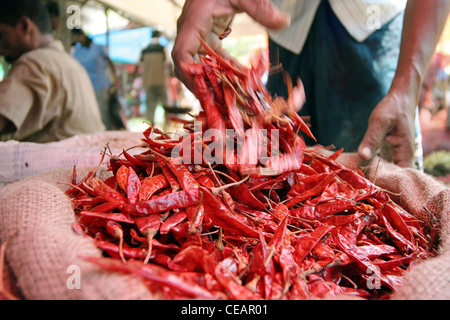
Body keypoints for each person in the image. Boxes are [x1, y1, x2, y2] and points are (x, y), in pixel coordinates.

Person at [171, 0, 450, 169]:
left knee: (374, 182)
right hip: (289, 34)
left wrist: (407, 85)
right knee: (279, 181)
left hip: (373, 28)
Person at [0, 0, 105, 143]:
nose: (0, 50)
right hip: (91, 159)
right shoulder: (72, 63)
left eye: (1, 36)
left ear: (25, 26)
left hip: (61, 164)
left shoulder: (33, 64)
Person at [72, 28, 120, 130]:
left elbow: (109, 62)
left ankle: (108, 138)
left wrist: (115, 80)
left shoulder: (98, 47)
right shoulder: (77, 51)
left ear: (82, 35)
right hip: (86, 88)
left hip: (101, 86)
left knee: (104, 115)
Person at [134, 30, 169, 126]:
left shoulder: (144, 50)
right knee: (166, 107)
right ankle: (167, 127)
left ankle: (151, 129)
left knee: (150, 108)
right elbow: (168, 63)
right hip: (160, 81)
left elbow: (138, 64)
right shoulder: (162, 49)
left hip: (148, 82)